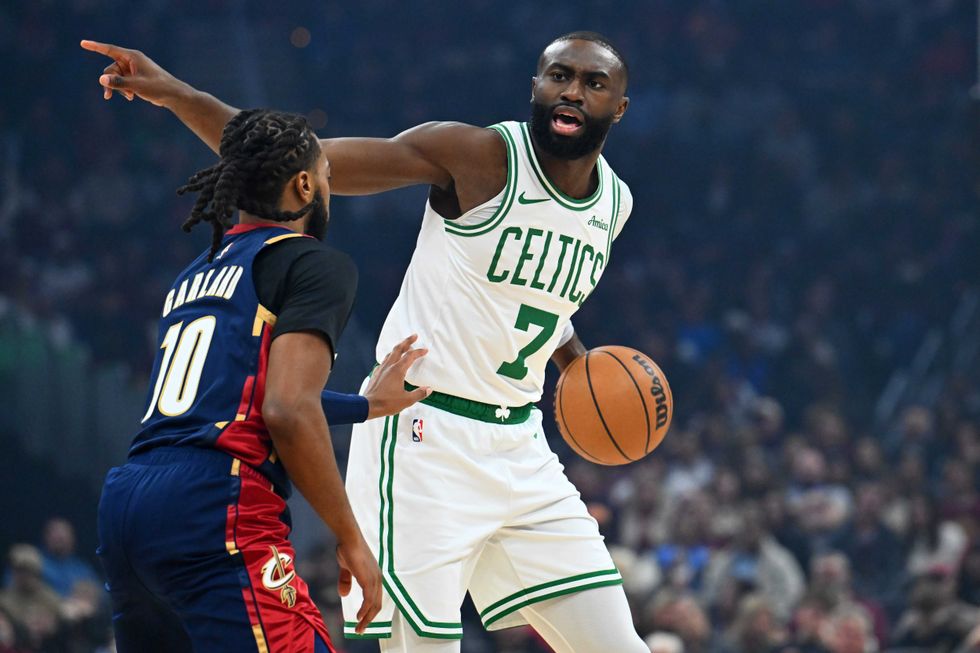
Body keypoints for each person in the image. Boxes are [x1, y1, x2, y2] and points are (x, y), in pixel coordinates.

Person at [82, 29, 648, 652]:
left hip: (522, 447)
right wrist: (177, 95)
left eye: (593, 83)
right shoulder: (477, 155)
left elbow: (540, 304)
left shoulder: (613, 205)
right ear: (534, 87)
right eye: (559, 76)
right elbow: (291, 162)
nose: (572, 91)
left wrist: (575, 363)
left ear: (618, 107)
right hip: (422, 435)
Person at [93, 108, 429, 653]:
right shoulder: (312, 263)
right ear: (303, 185)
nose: (329, 187)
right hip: (214, 503)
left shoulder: (196, 270)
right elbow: (287, 411)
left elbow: (237, 396)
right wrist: (351, 539)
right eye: (328, 175)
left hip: (130, 504)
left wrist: (364, 406)